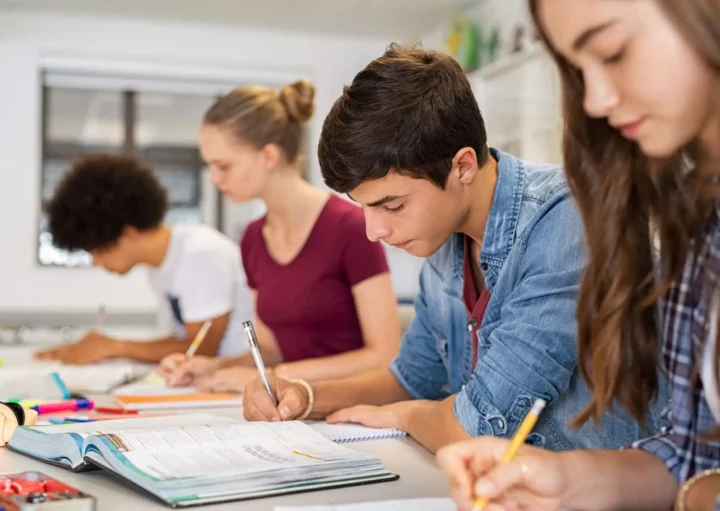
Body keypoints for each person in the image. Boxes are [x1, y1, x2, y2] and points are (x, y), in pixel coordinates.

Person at [241, 44, 664, 454]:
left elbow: (479, 426)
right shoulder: (445, 241)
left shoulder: (565, 220)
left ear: (461, 165)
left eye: (392, 205)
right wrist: (305, 395)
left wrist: (408, 417)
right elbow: (410, 379)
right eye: (365, 207)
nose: (374, 231)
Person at [437, 1, 720, 510]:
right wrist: (569, 479)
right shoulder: (697, 221)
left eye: (612, 52)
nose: (595, 101)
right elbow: (690, 454)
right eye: (575, 69)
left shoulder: (555, 219)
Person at [159, 79, 402, 391]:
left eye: (223, 166)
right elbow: (272, 350)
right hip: (291, 408)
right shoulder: (252, 239)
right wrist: (214, 366)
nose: (215, 178)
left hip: (353, 408)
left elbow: (384, 354)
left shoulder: (352, 227)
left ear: (268, 157)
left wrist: (275, 377)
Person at [36, 154, 253, 364]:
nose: (96, 263)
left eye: (98, 251)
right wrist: (108, 347)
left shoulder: (199, 253)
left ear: (128, 233)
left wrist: (114, 347)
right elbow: (183, 341)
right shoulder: (161, 265)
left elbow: (202, 350)